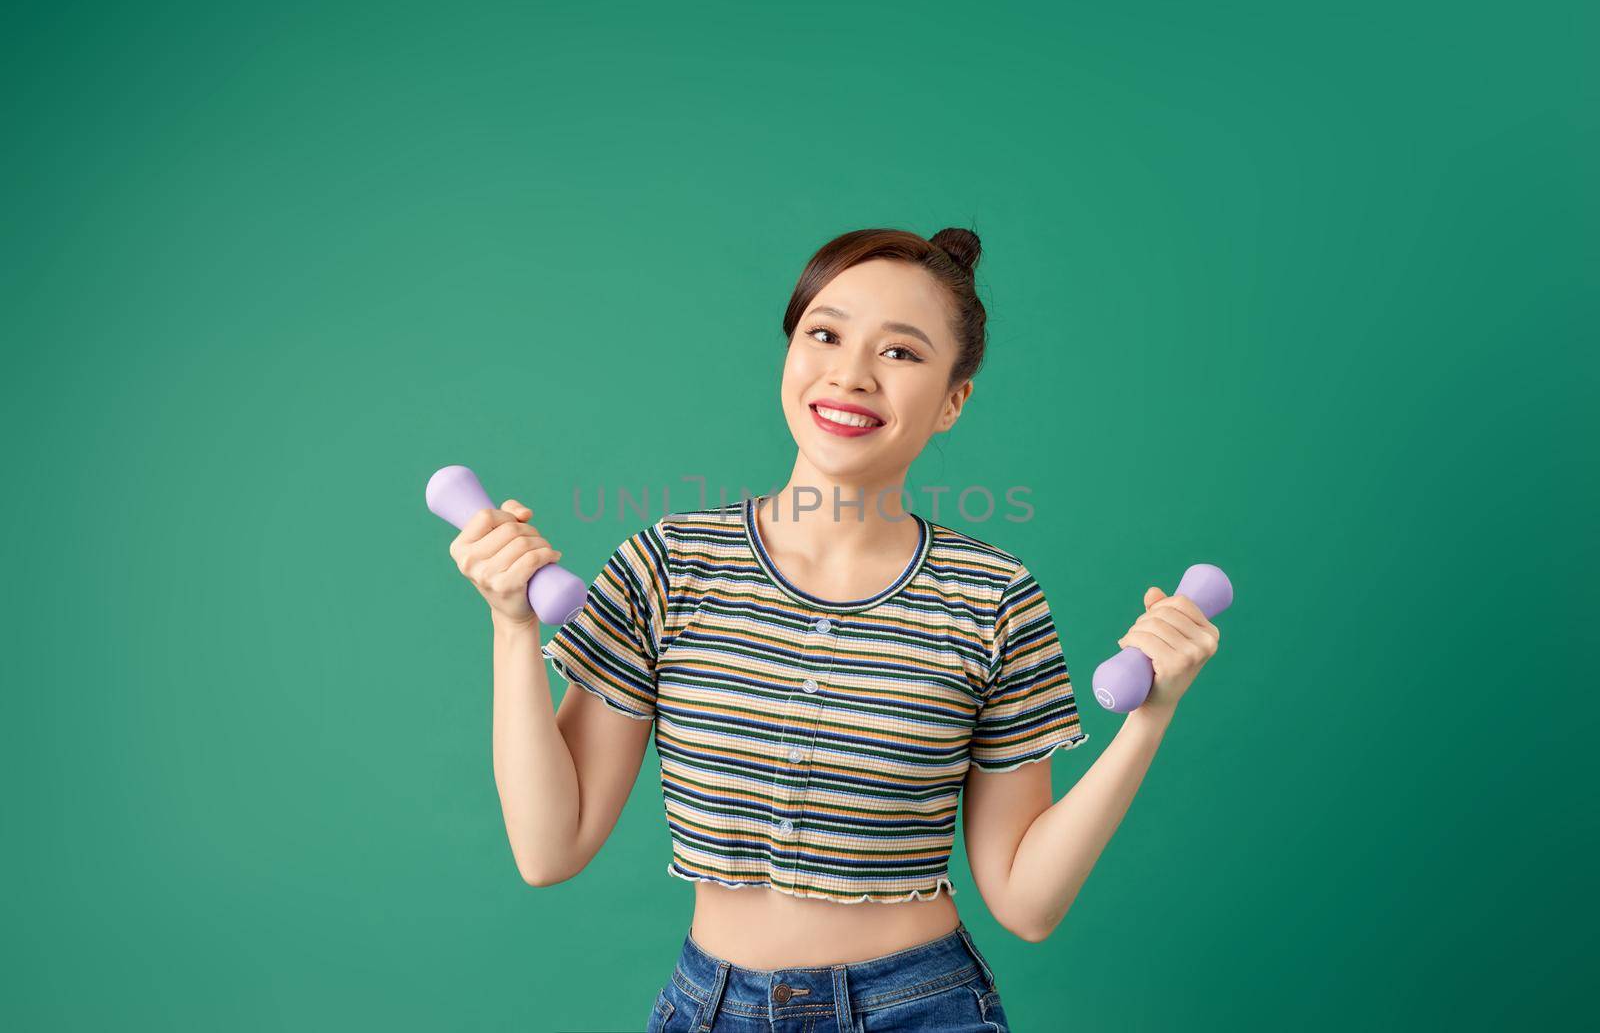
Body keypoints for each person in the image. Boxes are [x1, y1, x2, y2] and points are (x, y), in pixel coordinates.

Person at [447, 226, 1222, 1031]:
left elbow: (1027, 903)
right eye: (825, 334)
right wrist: (510, 628)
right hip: (708, 1009)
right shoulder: (668, 566)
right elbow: (551, 849)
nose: (850, 375)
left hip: (922, 1009)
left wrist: (1150, 717)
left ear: (953, 400)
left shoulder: (994, 598)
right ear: (790, 355)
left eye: (902, 353)